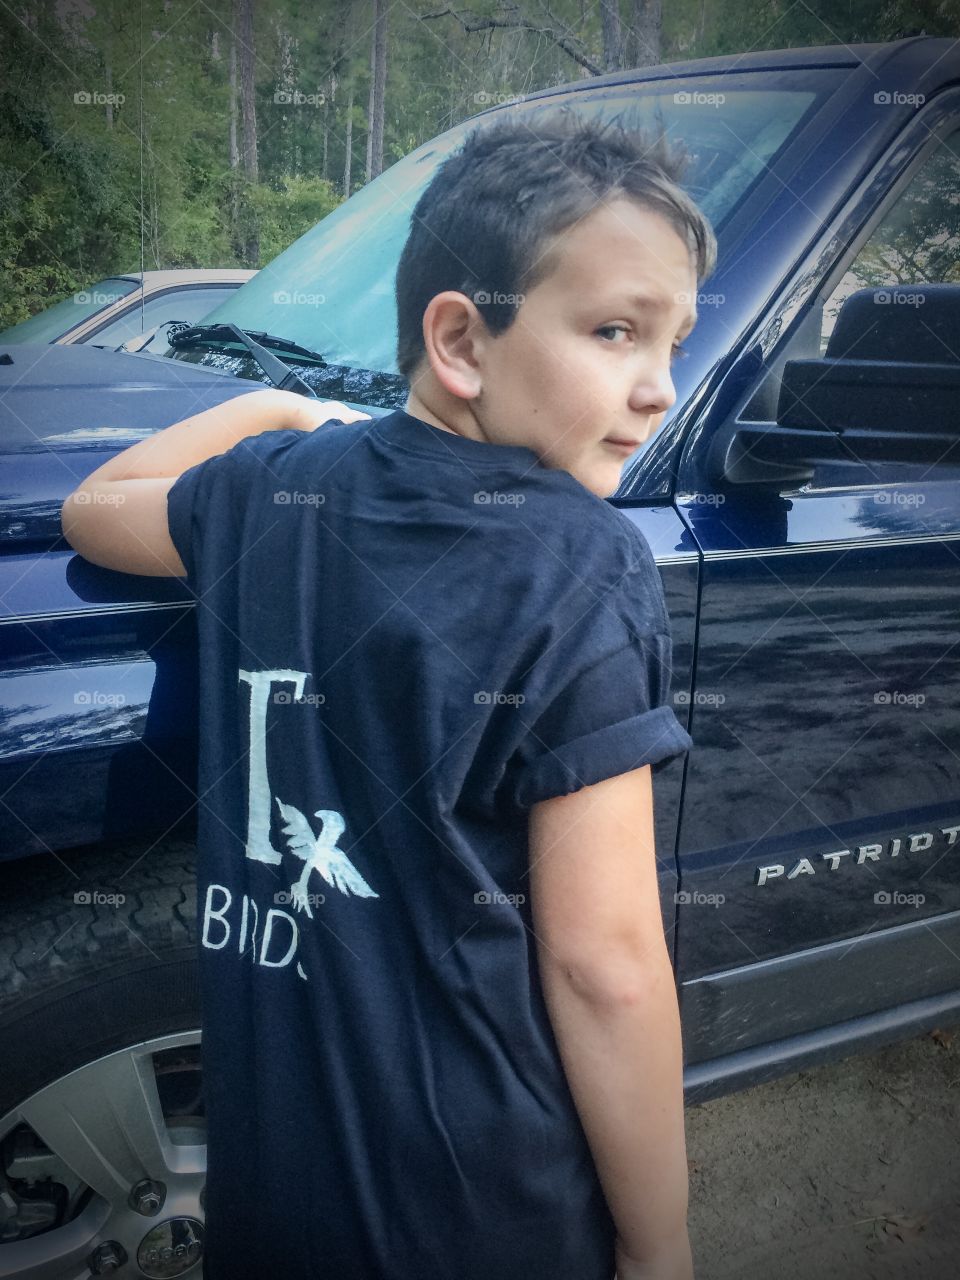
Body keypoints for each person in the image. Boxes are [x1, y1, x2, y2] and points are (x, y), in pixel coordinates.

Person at [61, 107, 715, 1280]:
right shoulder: (579, 559)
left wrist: (285, 414)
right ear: (461, 338)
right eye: (617, 331)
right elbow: (603, 961)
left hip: (271, 1202)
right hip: (483, 1216)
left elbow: (96, 506)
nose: (661, 387)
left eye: (674, 343)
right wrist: (659, 1243)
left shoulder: (270, 492)